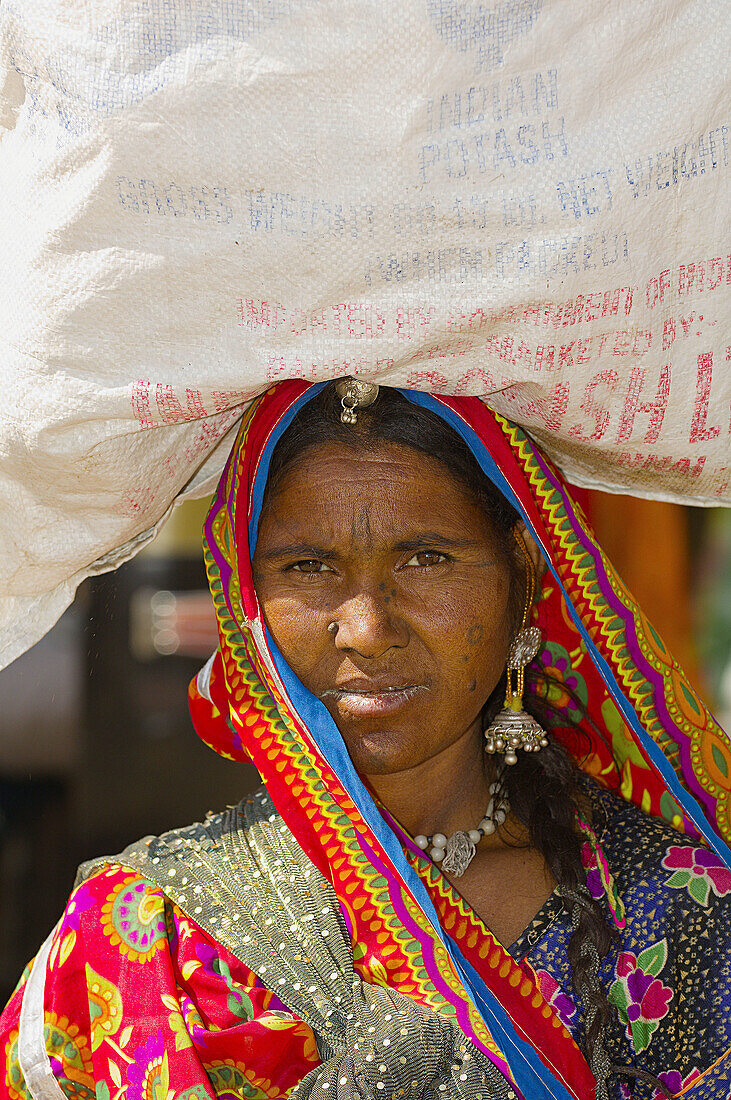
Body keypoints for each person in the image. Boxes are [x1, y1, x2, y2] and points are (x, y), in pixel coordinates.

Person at [2, 379, 730, 1100]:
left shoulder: (669, 902)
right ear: (245, 603)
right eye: (307, 568)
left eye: (425, 559)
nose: (367, 631)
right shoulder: (142, 931)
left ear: (522, 573)